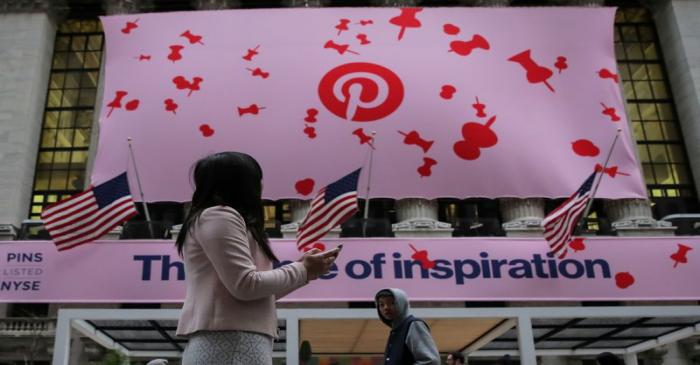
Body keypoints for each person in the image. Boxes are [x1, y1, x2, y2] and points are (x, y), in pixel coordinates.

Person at [175, 152, 339, 365]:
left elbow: (255, 293)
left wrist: (306, 272)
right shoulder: (220, 215)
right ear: (242, 184)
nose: (261, 188)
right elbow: (246, 285)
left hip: (233, 341)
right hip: (231, 341)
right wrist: (302, 270)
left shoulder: (221, 218)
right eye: (257, 180)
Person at [375, 288, 440, 365]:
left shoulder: (413, 324)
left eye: (392, 303)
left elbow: (431, 361)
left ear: (402, 303)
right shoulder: (395, 331)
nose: (386, 307)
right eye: (381, 305)